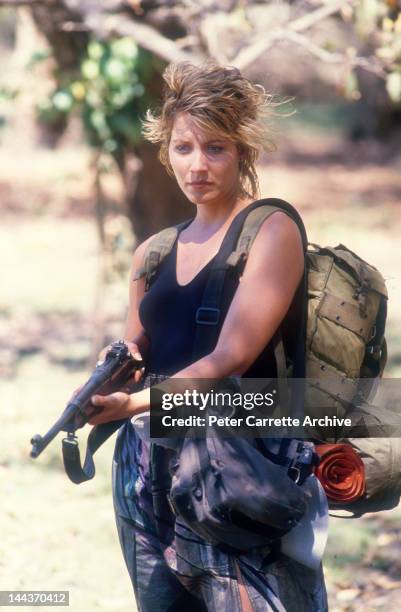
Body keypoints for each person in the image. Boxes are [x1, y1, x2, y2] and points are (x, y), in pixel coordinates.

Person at [88, 61, 328, 611]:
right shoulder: (152, 251)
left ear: (243, 152)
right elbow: (138, 352)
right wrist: (114, 369)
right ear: (166, 152)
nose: (197, 165)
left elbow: (230, 356)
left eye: (215, 148)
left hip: (237, 468)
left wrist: (134, 403)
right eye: (183, 148)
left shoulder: (271, 228)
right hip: (144, 470)